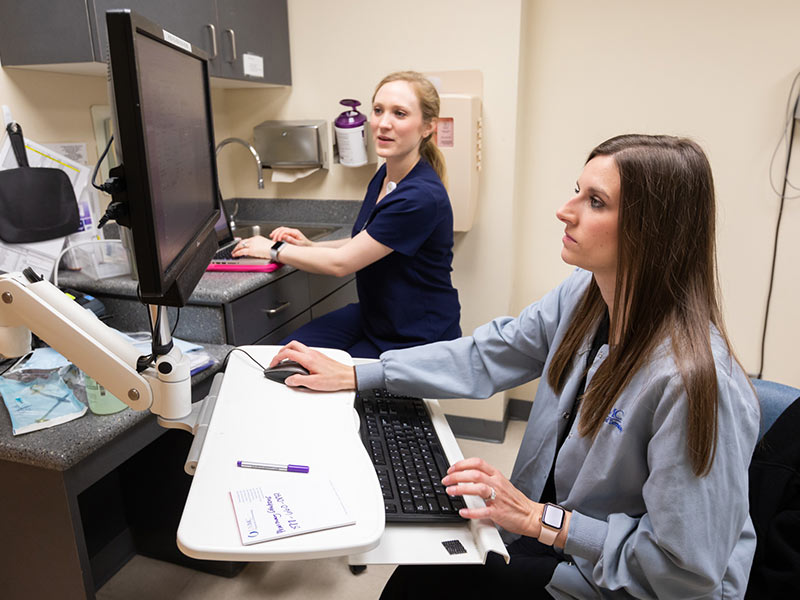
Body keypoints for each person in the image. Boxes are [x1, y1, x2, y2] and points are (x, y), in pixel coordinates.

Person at [267, 134, 761, 599]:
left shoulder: (694, 381)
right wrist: (359, 373)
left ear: (654, 231)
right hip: (557, 541)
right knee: (419, 570)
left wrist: (540, 520)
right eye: (576, 191)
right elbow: (490, 353)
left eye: (595, 202)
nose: (563, 211)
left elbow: (684, 578)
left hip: (616, 584)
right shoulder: (583, 297)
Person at [232, 71, 461, 358]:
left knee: (320, 381)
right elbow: (366, 239)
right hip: (376, 317)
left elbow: (342, 263)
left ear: (428, 127)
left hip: (413, 336)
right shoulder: (386, 175)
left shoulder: (420, 197)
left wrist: (274, 249)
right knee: (283, 358)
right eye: (378, 110)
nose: (383, 123)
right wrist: (312, 247)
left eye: (400, 114)